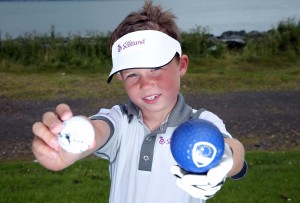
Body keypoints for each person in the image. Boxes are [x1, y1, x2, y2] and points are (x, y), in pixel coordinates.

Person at [32, 1, 247, 203]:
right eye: (133, 74)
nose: (146, 84)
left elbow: (235, 152)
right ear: (121, 77)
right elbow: (96, 132)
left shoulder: (201, 121)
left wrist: (224, 158)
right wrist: (66, 140)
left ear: (181, 65)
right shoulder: (119, 120)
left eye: (156, 67)